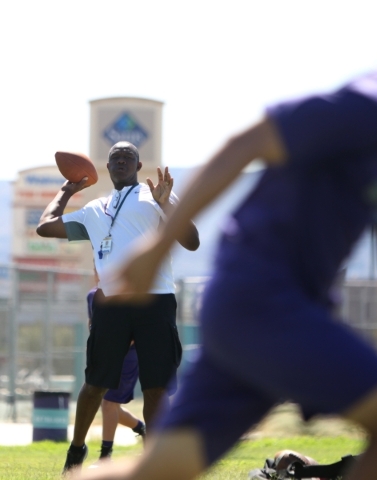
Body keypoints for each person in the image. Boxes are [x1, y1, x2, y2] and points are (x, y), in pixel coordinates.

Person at [76, 1, 377, 480]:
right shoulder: (375, 102)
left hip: (257, 308)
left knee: (164, 467)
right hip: (264, 300)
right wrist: (154, 251)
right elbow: (245, 144)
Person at [36, 141, 200, 475]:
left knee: (155, 387)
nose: (121, 160)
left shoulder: (157, 196)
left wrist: (166, 204)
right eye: (115, 158)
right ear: (107, 168)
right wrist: (68, 189)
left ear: (139, 166)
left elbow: (192, 241)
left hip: (155, 300)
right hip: (111, 303)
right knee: (95, 383)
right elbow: (45, 225)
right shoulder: (96, 208)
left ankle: (153, 461)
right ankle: (76, 451)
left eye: (128, 157)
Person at [86, 287, 146, 462]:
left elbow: (136, 329)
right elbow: (92, 324)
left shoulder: (130, 293)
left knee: (109, 404)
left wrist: (117, 347)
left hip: (128, 356)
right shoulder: (92, 295)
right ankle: (141, 428)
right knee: (107, 406)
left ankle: (105, 456)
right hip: (105, 355)